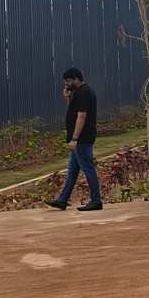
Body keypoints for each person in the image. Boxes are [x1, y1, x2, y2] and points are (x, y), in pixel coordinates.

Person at [44, 67, 102, 211]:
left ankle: (96, 201)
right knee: (72, 170)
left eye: (68, 81)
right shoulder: (79, 93)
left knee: (88, 169)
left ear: (76, 79)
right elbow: (73, 111)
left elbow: (81, 116)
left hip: (82, 139)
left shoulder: (83, 93)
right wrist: (68, 97)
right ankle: (62, 200)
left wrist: (75, 138)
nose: (66, 84)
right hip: (79, 139)